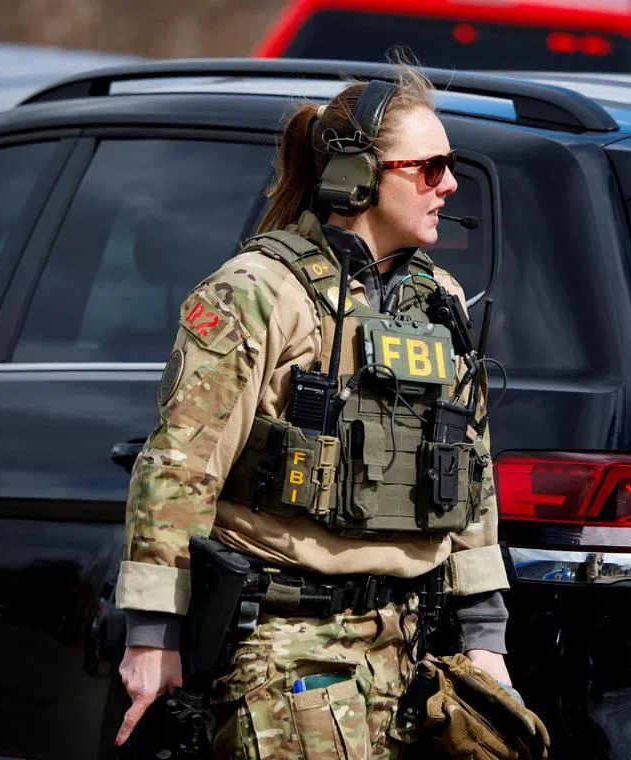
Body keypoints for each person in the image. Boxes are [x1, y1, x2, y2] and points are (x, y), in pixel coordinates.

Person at [114, 60, 517, 759]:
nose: (450, 184)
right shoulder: (257, 293)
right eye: (430, 168)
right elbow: (179, 468)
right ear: (358, 177)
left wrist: (485, 639)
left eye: (450, 167)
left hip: (410, 656)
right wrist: (153, 634)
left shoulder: (439, 301)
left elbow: (470, 472)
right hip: (290, 659)